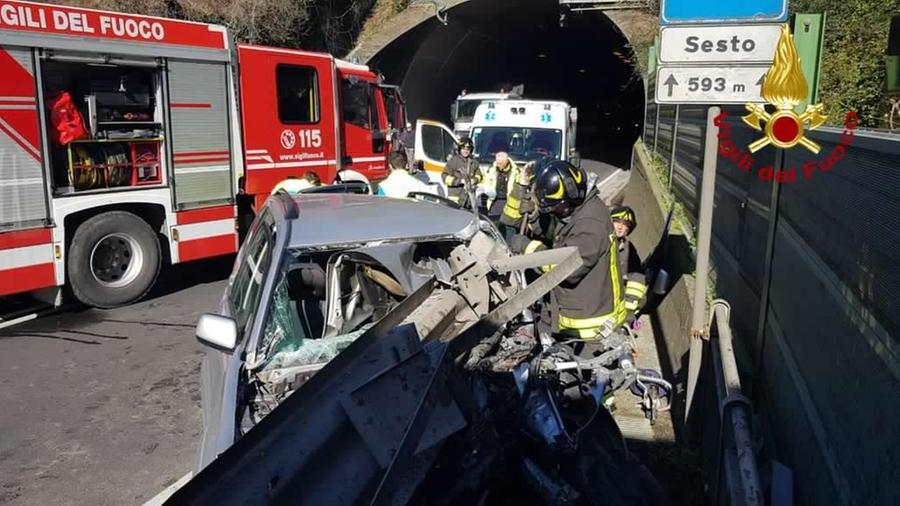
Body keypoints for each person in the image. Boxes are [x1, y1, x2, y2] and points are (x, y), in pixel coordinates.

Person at [509, 159, 624, 341]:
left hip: (589, 330)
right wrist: (535, 219)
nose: (556, 211)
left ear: (572, 195)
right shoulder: (581, 209)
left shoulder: (590, 224)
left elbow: (566, 268)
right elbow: (561, 238)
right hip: (575, 312)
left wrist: (528, 248)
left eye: (558, 206)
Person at [610, 206, 647, 323]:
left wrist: (629, 309)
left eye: (625, 224)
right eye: (616, 222)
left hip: (615, 301)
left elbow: (637, 277)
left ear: (629, 229)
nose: (620, 227)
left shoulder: (629, 250)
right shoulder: (597, 241)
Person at [479, 151, 519, 238]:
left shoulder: (515, 171)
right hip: (495, 199)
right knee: (493, 223)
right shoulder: (492, 169)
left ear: (506, 162)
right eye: (497, 162)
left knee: (509, 225)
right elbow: (486, 182)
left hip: (509, 201)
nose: (497, 165)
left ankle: (509, 241)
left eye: (500, 163)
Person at [442, 137, 483, 208]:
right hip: (455, 199)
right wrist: (459, 181)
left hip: (469, 199)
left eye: (468, 149)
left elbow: (479, 176)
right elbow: (444, 177)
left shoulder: (474, 162)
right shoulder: (453, 161)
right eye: (463, 149)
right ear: (460, 149)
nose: (465, 151)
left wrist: (474, 180)